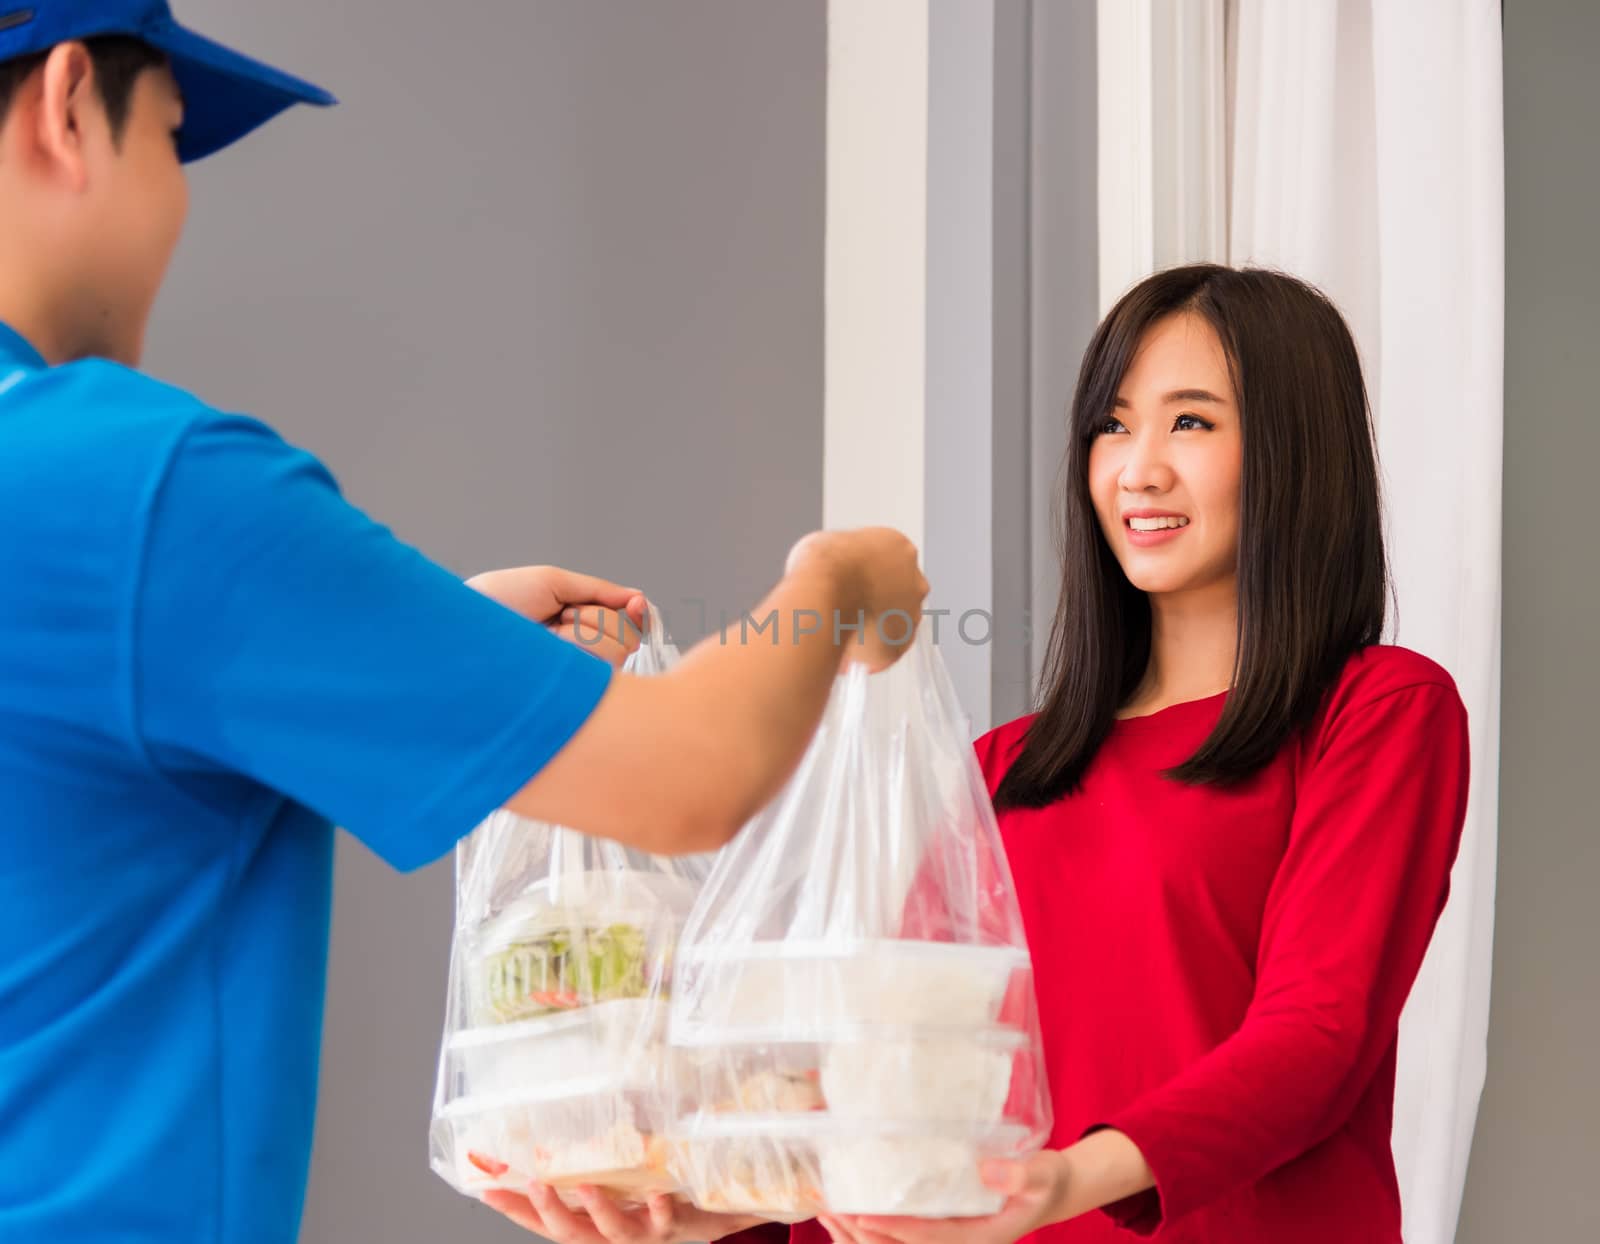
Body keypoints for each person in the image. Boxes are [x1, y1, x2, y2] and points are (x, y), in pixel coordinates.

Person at [0, 6, 926, 1244]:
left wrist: (441, 648)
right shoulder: (137, 486)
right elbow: (693, 774)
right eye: (171, 139)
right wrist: (839, 574)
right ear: (69, 103)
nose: (177, 201)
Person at [519, 265, 1470, 1244]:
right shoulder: (1000, 768)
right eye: (1111, 423)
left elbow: (1316, 1037)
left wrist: (1052, 1182)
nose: (1136, 467)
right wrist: (710, 1208)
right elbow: (889, 1085)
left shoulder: (1380, 711)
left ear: (1293, 449)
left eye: (1190, 422)